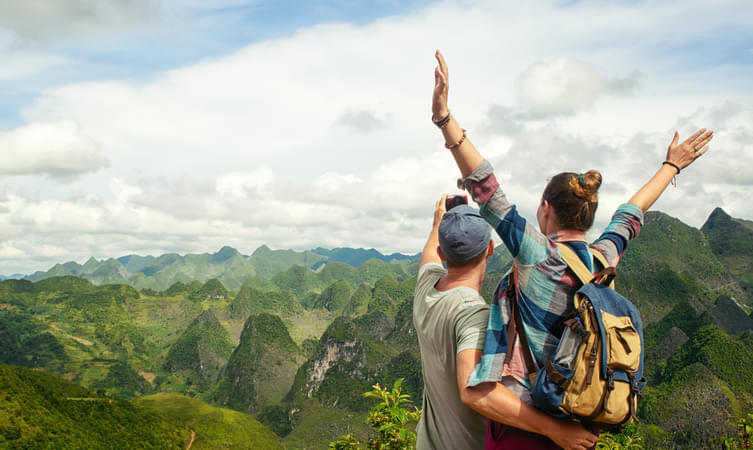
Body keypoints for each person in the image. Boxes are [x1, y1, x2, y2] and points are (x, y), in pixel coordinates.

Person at [430, 49, 713, 450]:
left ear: (545, 209)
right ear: (589, 217)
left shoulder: (537, 255)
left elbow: (485, 187)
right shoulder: (603, 259)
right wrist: (672, 166)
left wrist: (444, 118)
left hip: (524, 426)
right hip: (580, 424)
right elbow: (632, 213)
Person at [414, 196, 601, 450]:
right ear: (490, 248)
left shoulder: (426, 288)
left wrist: (438, 224)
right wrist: (556, 430)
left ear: (442, 253)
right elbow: (476, 391)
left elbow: (429, 255)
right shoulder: (474, 315)